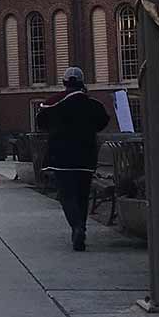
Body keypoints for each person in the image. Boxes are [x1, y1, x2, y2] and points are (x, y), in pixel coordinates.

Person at [35, 66, 109, 251]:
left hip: (61, 158)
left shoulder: (53, 103)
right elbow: (102, 122)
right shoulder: (93, 105)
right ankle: (81, 227)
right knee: (82, 195)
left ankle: (76, 227)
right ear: (82, 82)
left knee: (66, 195)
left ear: (65, 82)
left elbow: (41, 122)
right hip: (86, 157)